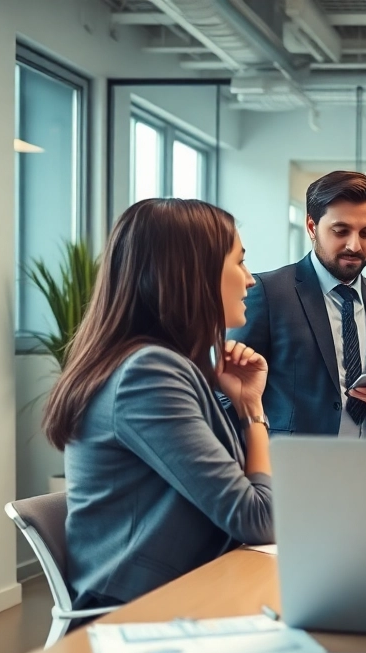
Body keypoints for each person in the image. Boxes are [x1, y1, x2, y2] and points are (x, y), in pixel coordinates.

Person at [42, 198, 274, 612]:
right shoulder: (147, 373)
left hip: (183, 590)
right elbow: (257, 519)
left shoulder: (162, 365)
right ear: (192, 274)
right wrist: (254, 414)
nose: (250, 280)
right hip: (138, 613)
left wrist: (247, 402)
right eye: (239, 263)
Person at [228, 171, 366, 438]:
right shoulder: (268, 293)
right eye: (341, 231)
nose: (355, 245)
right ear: (311, 226)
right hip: (291, 469)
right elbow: (226, 396)